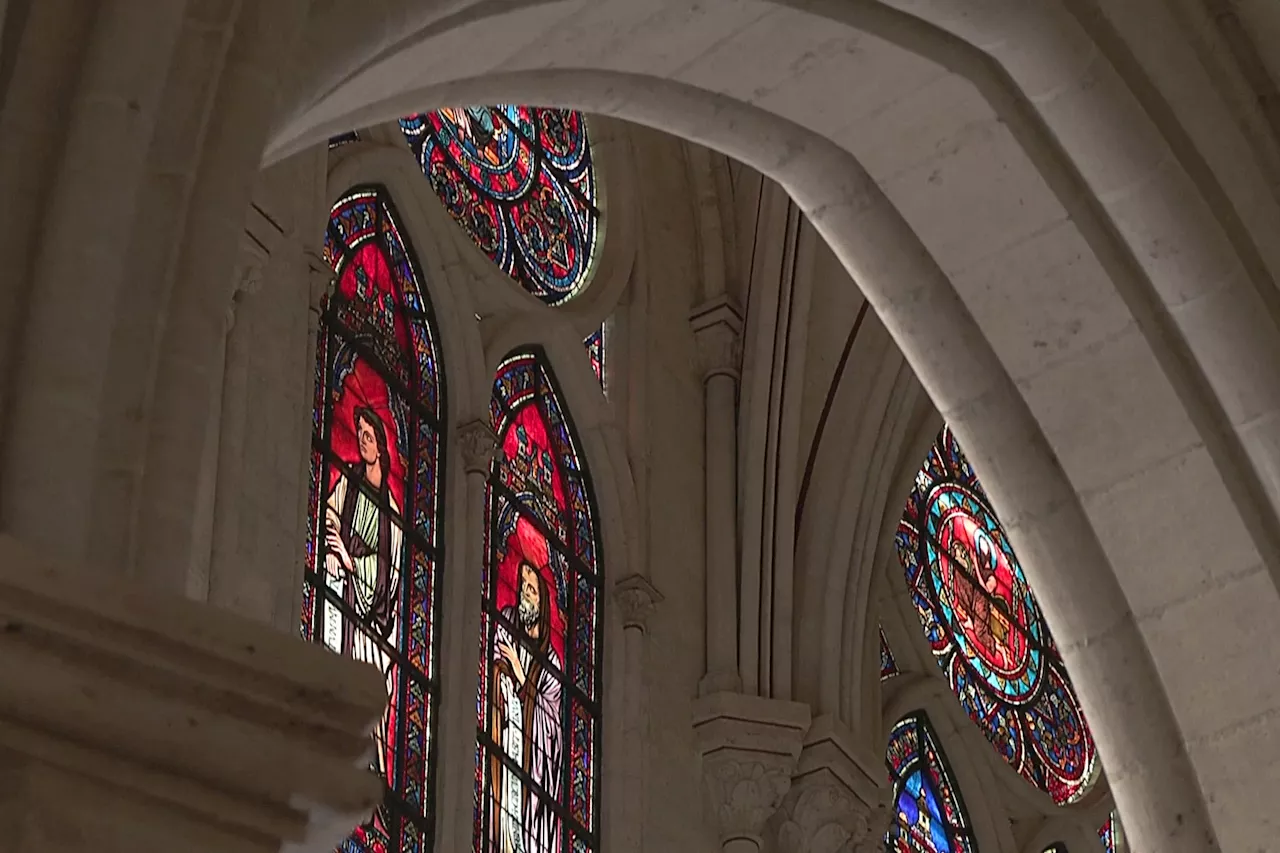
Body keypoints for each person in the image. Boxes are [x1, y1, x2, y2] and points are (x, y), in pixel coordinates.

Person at [323, 404, 403, 777]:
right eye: (359, 435)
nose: (362, 442)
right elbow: (330, 513)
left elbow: (391, 571)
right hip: (342, 594)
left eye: (368, 437)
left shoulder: (394, 518)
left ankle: (363, 772)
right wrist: (334, 546)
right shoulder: (349, 482)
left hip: (371, 622)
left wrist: (356, 564)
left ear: (381, 447)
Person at [490, 559, 563, 853]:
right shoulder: (507, 621)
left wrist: (521, 677)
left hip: (533, 772)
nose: (523, 593)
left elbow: (552, 730)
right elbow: (495, 659)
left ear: (542, 602)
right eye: (522, 586)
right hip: (504, 740)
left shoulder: (553, 665)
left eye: (531, 589)